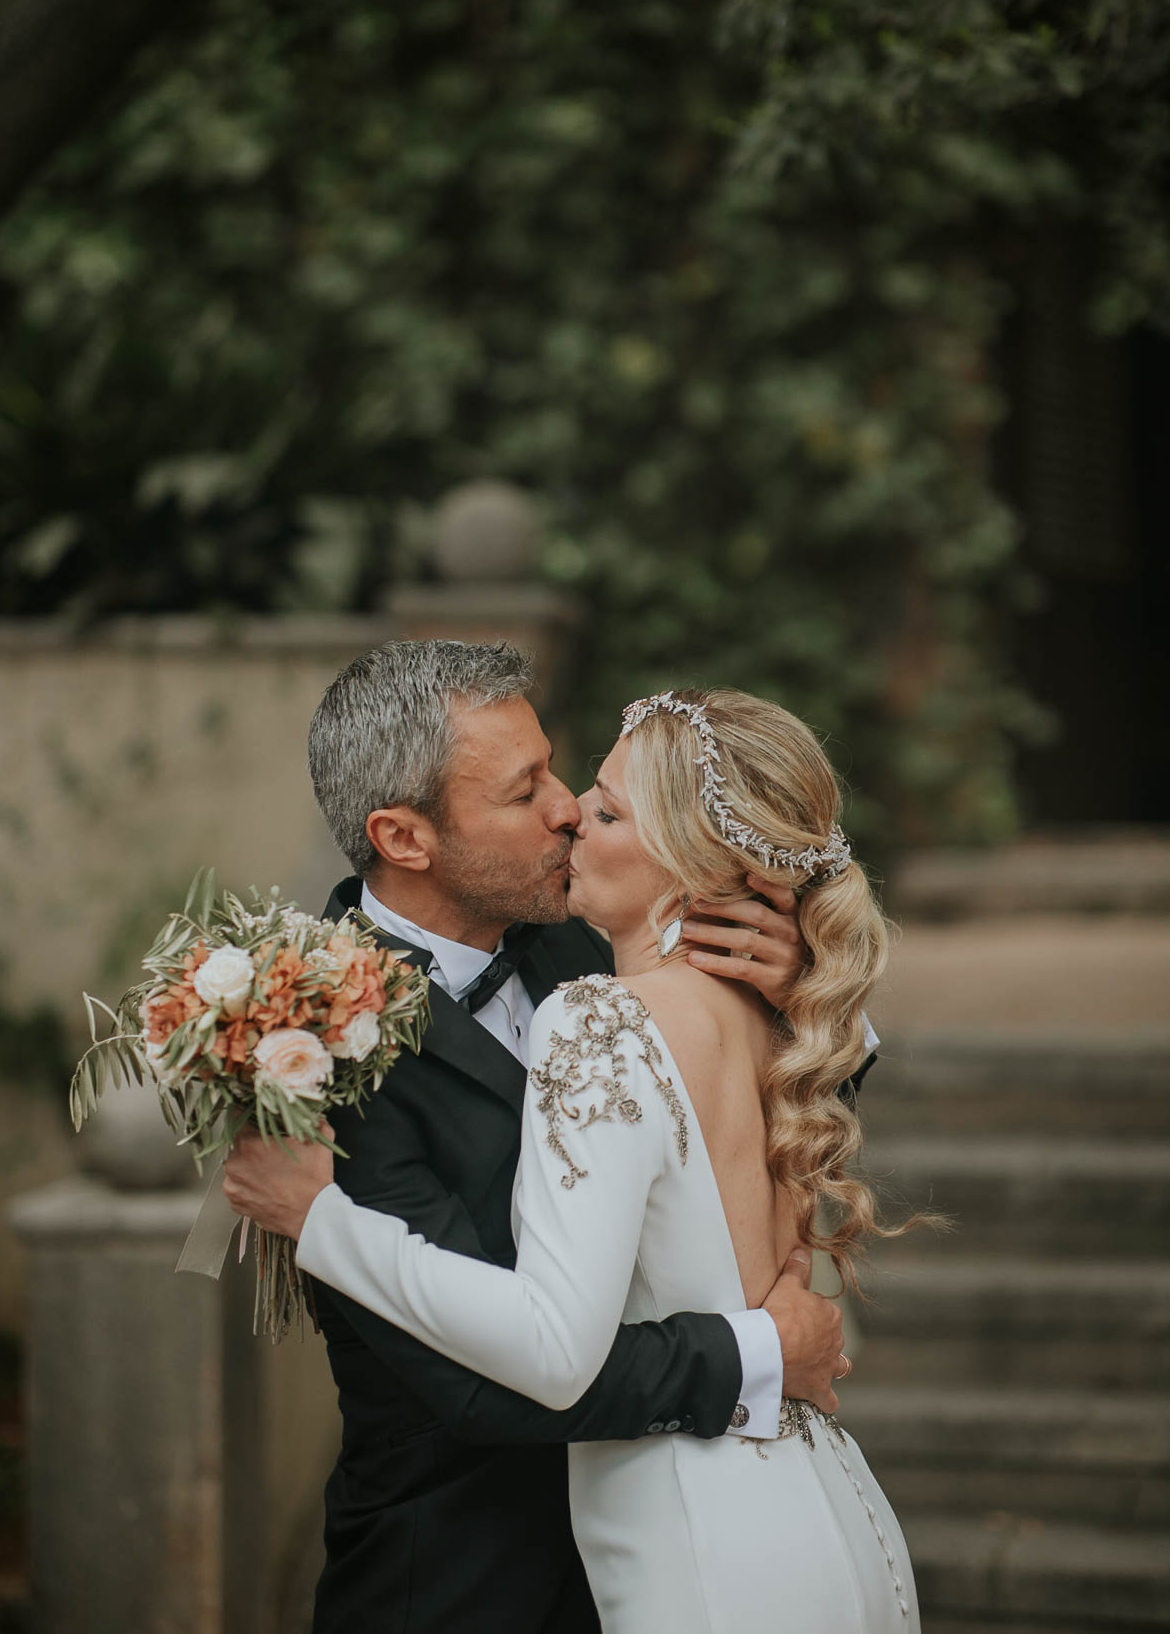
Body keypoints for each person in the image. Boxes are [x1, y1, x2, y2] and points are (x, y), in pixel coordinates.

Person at [226, 658, 911, 1633]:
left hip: (685, 1536)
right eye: (526, 790)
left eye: (565, 776)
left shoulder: (593, 931)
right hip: (473, 1579)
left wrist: (808, 1011)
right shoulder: (311, 1041)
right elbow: (474, 1380)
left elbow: (744, 1143)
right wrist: (752, 1353)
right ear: (403, 835)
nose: (565, 810)